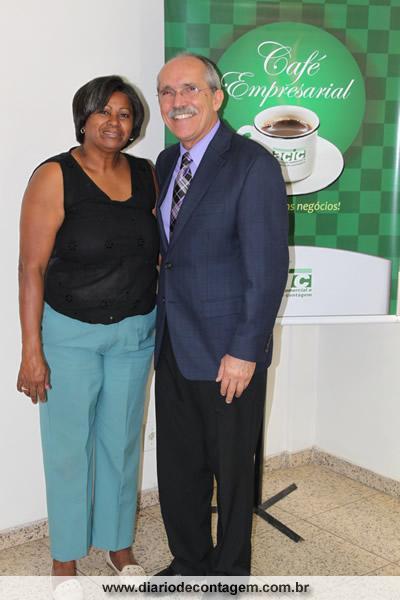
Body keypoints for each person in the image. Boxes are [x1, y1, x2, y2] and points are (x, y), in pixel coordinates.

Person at [17, 75, 159, 596]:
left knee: (121, 442)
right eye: (103, 111)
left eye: (124, 114)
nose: (113, 122)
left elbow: (156, 250)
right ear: (84, 118)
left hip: (134, 333)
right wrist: (31, 351)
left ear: (134, 124)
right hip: (69, 333)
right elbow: (31, 268)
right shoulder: (55, 176)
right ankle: (65, 559)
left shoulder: (146, 174)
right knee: (68, 448)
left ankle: (118, 546)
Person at [153, 53, 289, 577]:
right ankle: (189, 561)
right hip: (174, 343)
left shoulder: (253, 164)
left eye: (189, 89)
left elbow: (267, 268)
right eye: (167, 92)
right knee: (180, 465)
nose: (177, 101)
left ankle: (230, 575)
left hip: (228, 353)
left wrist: (244, 350)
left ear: (216, 96)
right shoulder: (166, 162)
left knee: (232, 473)